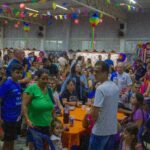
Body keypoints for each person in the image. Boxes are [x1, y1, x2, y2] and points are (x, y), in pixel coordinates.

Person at [83, 61, 119, 150]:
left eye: (98, 71)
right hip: (112, 129)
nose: (94, 74)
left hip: (100, 130)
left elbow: (94, 114)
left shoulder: (100, 89)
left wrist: (89, 115)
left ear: (106, 73)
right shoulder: (115, 86)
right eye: (94, 71)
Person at [22, 69, 54, 150]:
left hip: (47, 125)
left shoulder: (49, 90)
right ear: (38, 78)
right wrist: (27, 120)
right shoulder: (32, 88)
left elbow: (51, 106)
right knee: (34, 147)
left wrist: (53, 120)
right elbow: (24, 105)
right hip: (34, 126)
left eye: (47, 79)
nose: (45, 81)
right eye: (43, 78)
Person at [0, 64, 23, 150]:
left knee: (12, 140)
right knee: (7, 142)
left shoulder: (17, 83)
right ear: (12, 72)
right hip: (7, 118)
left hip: (15, 118)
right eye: (17, 72)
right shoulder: (6, 84)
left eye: (21, 73)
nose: (19, 74)